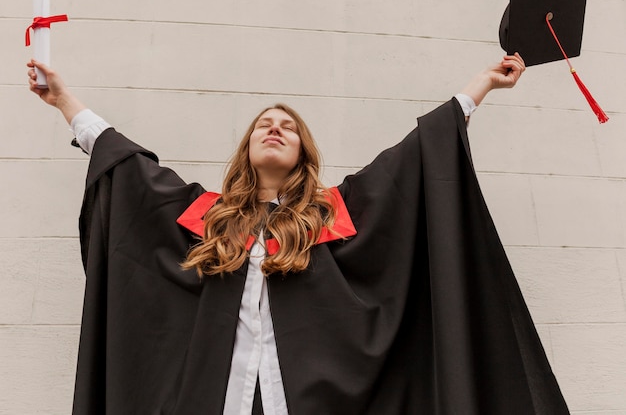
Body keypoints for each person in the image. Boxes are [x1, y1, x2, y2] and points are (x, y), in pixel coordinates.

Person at [27, 54, 569, 415]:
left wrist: (481, 87)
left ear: (302, 154)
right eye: (264, 123)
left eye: (287, 126)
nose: (274, 128)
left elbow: (413, 162)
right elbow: (130, 172)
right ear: (247, 149)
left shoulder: (330, 215)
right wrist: (64, 103)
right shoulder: (208, 217)